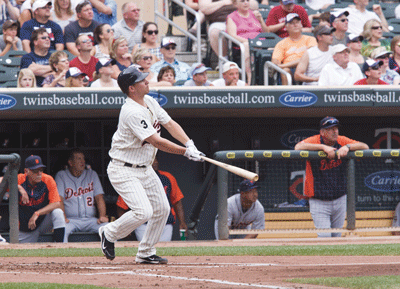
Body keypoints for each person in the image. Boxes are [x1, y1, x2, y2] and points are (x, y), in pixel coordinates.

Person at [98, 65, 204, 263]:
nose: (147, 81)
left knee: (163, 209)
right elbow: (156, 141)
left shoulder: (149, 101)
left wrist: (190, 144)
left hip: (144, 168)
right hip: (123, 169)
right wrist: (185, 152)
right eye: (141, 80)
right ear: (131, 88)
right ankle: (109, 233)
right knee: (143, 211)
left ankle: (146, 252)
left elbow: (170, 124)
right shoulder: (131, 111)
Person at [294, 117, 369, 237]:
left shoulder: (341, 140)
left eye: (336, 128)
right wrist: (323, 147)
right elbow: (298, 147)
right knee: (324, 237)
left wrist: (347, 147)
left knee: (337, 237)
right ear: (322, 132)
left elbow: (365, 146)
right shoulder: (315, 140)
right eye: (331, 129)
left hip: (339, 198)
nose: (335, 132)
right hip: (319, 200)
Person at [116, 158, 187, 242]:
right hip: (143, 224)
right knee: (146, 249)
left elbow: (177, 202)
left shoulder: (168, 177)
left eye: (156, 159)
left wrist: (182, 222)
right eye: (151, 160)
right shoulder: (135, 180)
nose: (155, 162)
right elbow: (121, 205)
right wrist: (125, 226)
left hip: (165, 223)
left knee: (164, 249)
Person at [4, 155, 66, 243]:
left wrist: (37, 213)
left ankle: (60, 246)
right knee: (21, 253)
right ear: (26, 171)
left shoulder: (48, 180)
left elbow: (56, 203)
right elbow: (1, 181)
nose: (39, 173)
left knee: (58, 212)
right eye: (35, 171)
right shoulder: (20, 179)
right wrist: (18, 187)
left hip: (42, 222)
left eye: (41, 170)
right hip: (25, 228)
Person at [55, 148, 108, 243]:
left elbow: (99, 198)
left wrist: (102, 216)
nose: (82, 161)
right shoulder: (61, 175)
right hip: (71, 221)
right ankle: (63, 257)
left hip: (91, 220)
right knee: (62, 231)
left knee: (109, 230)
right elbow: (59, 199)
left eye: (83, 159)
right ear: (70, 163)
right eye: (78, 159)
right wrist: (63, 217)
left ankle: (113, 256)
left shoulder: (92, 174)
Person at [226, 0, 269, 84]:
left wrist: (260, 20)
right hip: (242, 46)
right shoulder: (232, 17)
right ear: (235, 4)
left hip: (261, 44)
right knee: (246, 45)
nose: (246, 3)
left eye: (247, 0)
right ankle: (250, 79)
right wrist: (251, 42)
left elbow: (267, 32)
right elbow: (232, 35)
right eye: (242, 1)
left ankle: (271, 78)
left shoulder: (255, 14)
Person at [271, 13, 317, 85]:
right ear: (286, 27)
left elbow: (311, 57)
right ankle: (286, 94)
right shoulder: (281, 43)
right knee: (285, 71)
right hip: (289, 70)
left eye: (297, 22)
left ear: (301, 25)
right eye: (292, 23)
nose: (295, 25)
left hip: (307, 68)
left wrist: (283, 65)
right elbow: (275, 62)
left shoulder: (310, 39)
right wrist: (281, 66)